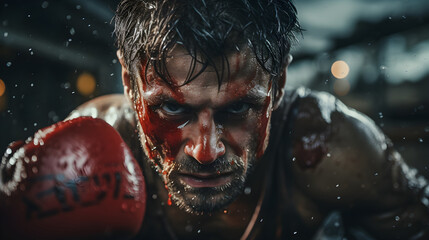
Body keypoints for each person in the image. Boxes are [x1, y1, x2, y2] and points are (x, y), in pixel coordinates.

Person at [1, 0, 429, 239]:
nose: (206, 151)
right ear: (131, 87)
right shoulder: (94, 150)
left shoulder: (332, 148)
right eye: (173, 109)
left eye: (237, 109)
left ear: (278, 85)